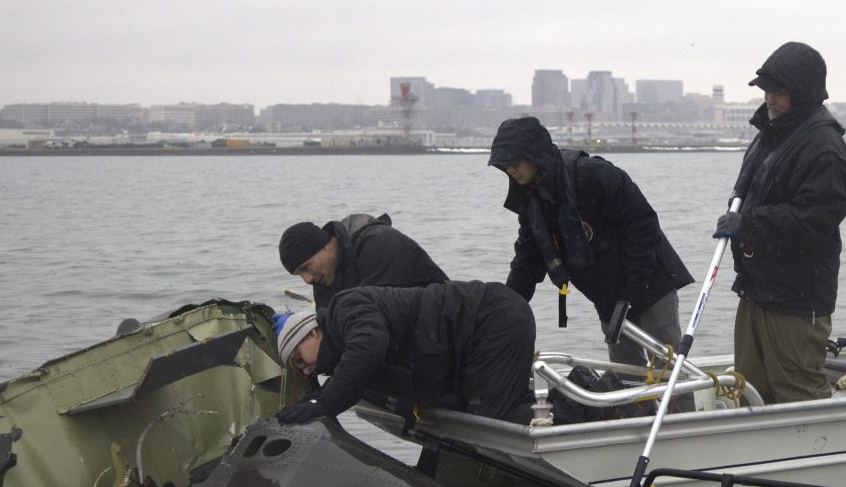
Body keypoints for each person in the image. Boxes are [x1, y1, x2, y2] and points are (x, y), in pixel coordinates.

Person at [713, 41, 846, 403]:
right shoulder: (770, 135)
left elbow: (815, 220)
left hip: (797, 300)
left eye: (779, 91)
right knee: (746, 389)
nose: (769, 99)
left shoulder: (824, 148)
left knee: (797, 391)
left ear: (803, 92)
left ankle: (816, 457)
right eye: (766, 91)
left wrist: (748, 224)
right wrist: (738, 221)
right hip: (756, 289)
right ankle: (754, 458)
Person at [487, 116, 694, 366]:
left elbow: (642, 224)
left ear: (534, 154)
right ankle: (636, 407)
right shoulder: (531, 202)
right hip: (607, 298)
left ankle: (678, 407)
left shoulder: (592, 174)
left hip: (651, 286)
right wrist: (507, 308)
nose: (511, 170)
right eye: (505, 165)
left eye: (515, 162)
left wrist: (633, 290)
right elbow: (526, 262)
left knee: (668, 368)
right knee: (624, 375)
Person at [273, 280, 536, 426]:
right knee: (481, 412)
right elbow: (353, 379)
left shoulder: (345, 308)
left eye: (299, 359)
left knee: (494, 421)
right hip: (476, 337)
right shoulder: (346, 356)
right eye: (299, 370)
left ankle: (572, 414)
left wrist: (326, 404)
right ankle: (555, 407)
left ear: (313, 333)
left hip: (492, 318)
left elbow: (368, 347)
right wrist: (315, 402)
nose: (307, 369)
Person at [279, 213, 447, 307]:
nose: (307, 280)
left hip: (445, 331)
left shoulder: (380, 244)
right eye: (299, 275)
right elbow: (331, 332)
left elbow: (372, 318)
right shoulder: (324, 278)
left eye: (306, 268)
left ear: (324, 246)